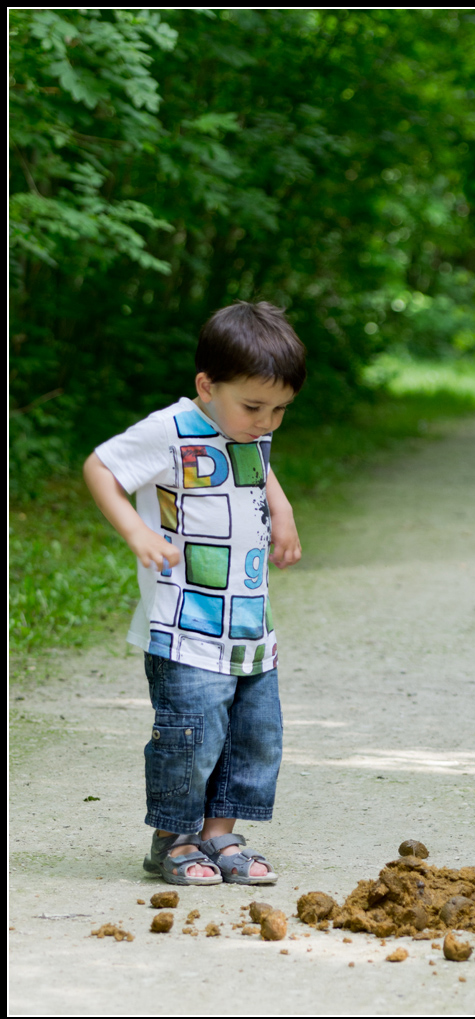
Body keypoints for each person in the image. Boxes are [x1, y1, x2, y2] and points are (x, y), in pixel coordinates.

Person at [83, 301, 306, 885]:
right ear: (206, 385)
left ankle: (220, 834)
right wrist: (135, 531)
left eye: (281, 409)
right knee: (191, 735)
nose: (267, 421)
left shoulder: (249, 430)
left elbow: (258, 463)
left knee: (252, 735)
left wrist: (281, 510)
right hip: (184, 625)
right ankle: (174, 838)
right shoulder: (171, 429)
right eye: (254, 406)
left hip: (249, 622)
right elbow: (101, 467)